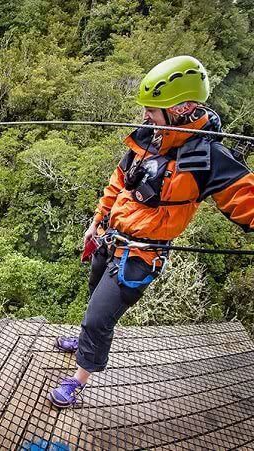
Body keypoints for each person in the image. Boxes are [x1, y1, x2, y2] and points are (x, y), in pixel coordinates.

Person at [49, 55, 254, 408]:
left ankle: (78, 380)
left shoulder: (207, 156)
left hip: (140, 255)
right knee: (93, 295)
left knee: (100, 316)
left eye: (153, 109)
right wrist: (96, 222)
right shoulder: (148, 139)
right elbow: (118, 184)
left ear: (183, 107)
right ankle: (82, 341)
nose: (146, 115)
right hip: (110, 239)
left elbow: (246, 198)